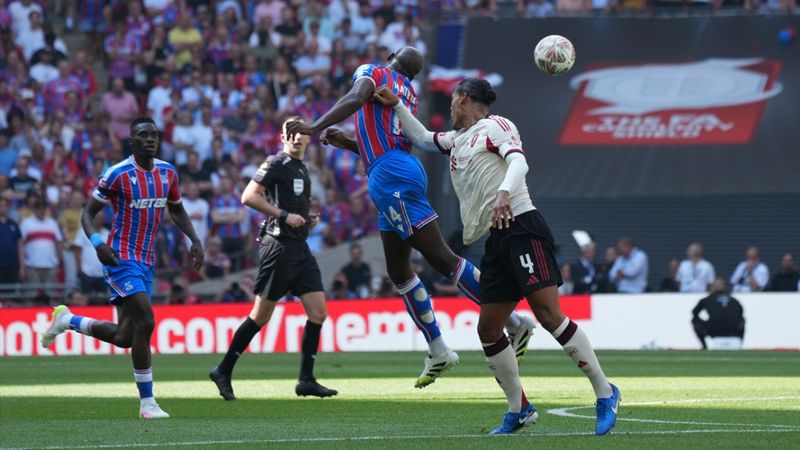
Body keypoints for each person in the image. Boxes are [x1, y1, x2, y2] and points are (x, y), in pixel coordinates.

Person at [370, 78, 619, 436]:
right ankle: (519, 409)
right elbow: (423, 137)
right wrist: (396, 104)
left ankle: (605, 392)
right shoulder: (457, 140)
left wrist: (504, 192)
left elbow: (518, 163)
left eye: (452, 100)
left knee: (549, 315)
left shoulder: (496, 125)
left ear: (463, 99)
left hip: (522, 225)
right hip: (497, 238)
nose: (449, 107)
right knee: (488, 328)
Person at [286, 46, 533, 388]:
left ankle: (513, 321)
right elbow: (388, 140)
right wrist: (349, 143)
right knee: (399, 270)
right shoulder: (408, 93)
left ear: (389, 55)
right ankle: (438, 348)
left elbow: (356, 98)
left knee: (441, 257)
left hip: (391, 176)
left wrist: (313, 127)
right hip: (393, 168)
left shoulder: (373, 71)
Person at [40, 117, 204, 419]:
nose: (150, 139)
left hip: (146, 261)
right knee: (146, 320)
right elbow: (87, 214)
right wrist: (97, 243)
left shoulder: (168, 172)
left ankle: (67, 320)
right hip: (120, 258)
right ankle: (148, 403)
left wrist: (194, 239)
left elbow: (177, 208)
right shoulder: (117, 174)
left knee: (125, 336)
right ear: (132, 141)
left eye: (154, 134)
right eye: (144, 135)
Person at [210, 117, 337, 401]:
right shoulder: (276, 162)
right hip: (278, 247)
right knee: (261, 315)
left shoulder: (302, 168)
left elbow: (290, 206)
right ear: (283, 138)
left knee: (318, 312)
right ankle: (223, 370)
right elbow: (248, 196)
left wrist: (305, 219)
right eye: (290, 133)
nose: (296, 137)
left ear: (308, 137)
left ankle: (306, 380)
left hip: (300, 247)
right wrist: (283, 215)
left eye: (301, 132)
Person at [691, 279, 745, 350]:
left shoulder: (707, 299)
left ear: (713, 287)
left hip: (713, 330)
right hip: (732, 331)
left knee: (694, 320)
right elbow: (741, 313)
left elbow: (694, 312)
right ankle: (739, 345)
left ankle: (704, 347)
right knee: (742, 320)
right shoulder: (734, 300)